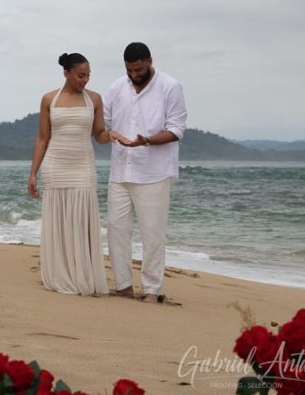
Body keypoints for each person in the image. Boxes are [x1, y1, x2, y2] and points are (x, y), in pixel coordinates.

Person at [103, 42, 187, 303]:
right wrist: (110, 134)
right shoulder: (117, 88)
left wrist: (146, 141)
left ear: (150, 61)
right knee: (116, 230)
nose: (134, 74)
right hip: (120, 171)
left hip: (154, 172)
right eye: (129, 70)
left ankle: (152, 289)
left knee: (152, 234)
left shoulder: (170, 86)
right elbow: (103, 125)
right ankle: (124, 286)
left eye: (138, 69)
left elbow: (176, 130)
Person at [28, 52, 111, 295]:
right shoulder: (49, 99)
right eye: (80, 76)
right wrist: (33, 173)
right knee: (59, 220)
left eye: (88, 76)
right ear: (66, 73)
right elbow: (43, 138)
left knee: (82, 221)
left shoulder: (94, 99)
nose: (84, 81)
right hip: (55, 166)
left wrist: (113, 136)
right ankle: (60, 274)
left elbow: (99, 134)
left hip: (83, 166)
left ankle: (82, 275)